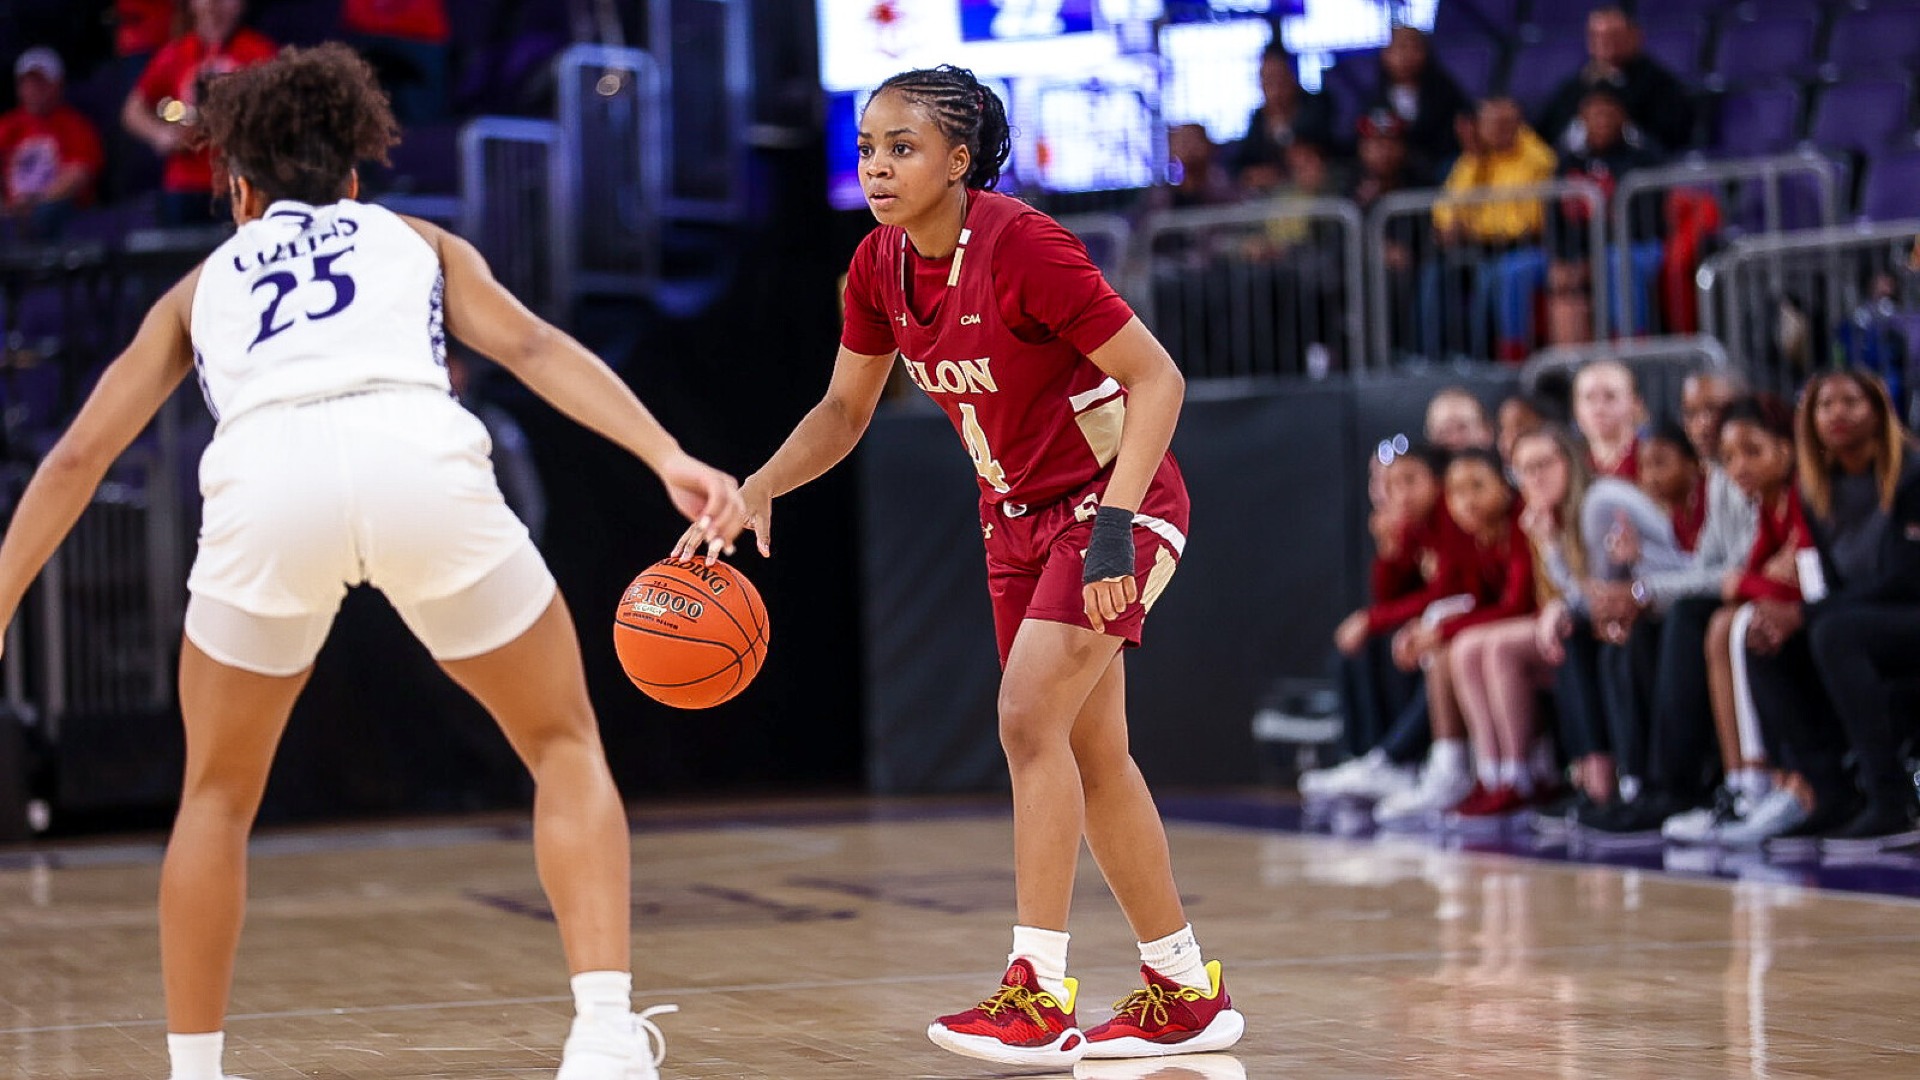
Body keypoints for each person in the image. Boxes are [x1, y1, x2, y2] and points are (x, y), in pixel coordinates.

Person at [0, 45, 747, 1080]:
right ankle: (606, 1033)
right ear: (353, 179)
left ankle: (195, 1071)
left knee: (214, 797)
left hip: (269, 480)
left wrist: (0, 595)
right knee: (562, 743)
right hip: (415, 459)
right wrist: (666, 452)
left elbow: (81, 453)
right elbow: (531, 348)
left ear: (239, 191)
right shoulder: (418, 238)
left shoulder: (196, 287)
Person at [672, 64, 1241, 1066]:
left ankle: (1036, 994)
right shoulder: (877, 266)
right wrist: (758, 486)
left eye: (903, 147)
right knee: (1092, 754)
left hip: (1115, 506)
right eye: (867, 149)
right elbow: (845, 411)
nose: (878, 168)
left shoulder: (1025, 244)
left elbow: (1157, 378)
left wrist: (1113, 528)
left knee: (1028, 720)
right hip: (1012, 519)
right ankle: (1184, 987)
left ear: (960, 160)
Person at [1734, 372, 1920, 848]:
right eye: (1823, 405)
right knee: (1763, 638)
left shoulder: (1913, 474)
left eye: (1850, 402)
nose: (1836, 413)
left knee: (1833, 631)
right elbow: (1827, 585)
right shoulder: (1815, 492)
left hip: (1906, 612)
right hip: (1859, 621)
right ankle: (1829, 792)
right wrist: (1788, 617)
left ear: (1878, 411)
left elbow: (1906, 579)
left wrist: (1809, 615)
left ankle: (1891, 798)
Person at [1374, 448, 1538, 825]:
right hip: (1515, 630)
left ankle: (1516, 774)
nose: (1467, 501)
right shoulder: (1474, 534)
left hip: (1540, 627)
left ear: (1506, 485)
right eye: (1457, 492)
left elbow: (1516, 605)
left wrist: (1440, 629)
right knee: (1459, 641)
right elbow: (1467, 597)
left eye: (1478, 487)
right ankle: (1488, 775)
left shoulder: (1516, 526)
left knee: (1471, 645)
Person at [1448, 427, 1594, 817]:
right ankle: (1493, 772)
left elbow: (1568, 594)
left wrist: (1549, 548)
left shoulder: (1588, 507)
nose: (1535, 478)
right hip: (1557, 619)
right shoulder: (1535, 518)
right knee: (1465, 648)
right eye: (1525, 470)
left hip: (1582, 621)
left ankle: (1520, 773)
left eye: (1543, 465)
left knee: (1496, 645)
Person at [1422, 97, 1558, 362]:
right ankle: (1431, 359)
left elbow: (1527, 222)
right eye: (1490, 124)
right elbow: (1446, 209)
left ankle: (1480, 359)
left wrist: (1472, 229)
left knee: (1489, 277)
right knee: (1434, 274)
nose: (1498, 130)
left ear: (1519, 123)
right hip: (1479, 248)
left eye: (1505, 123)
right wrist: (1450, 225)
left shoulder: (1536, 159)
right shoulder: (1473, 158)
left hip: (1523, 248)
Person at [123, 0, 276, 226]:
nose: (214, 6)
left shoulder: (260, 52)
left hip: (241, 179)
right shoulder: (176, 52)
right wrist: (161, 135)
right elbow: (133, 110)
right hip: (184, 183)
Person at [1534, 6, 1693, 155]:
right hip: (1576, 174)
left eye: (1613, 36)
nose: (1604, 44)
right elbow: (1546, 136)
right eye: (1596, 36)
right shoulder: (1573, 87)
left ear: (1635, 37)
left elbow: (1669, 139)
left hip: (1636, 172)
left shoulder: (1660, 84)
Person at [0, 47, 103, 242]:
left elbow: (79, 174)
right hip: (13, 214)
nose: (32, 89)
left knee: (48, 213)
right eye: (26, 83)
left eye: (40, 83)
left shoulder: (75, 126)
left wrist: (35, 202)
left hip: (58, 213)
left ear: (58, 85)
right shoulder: (7, 126)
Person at [1366, 25, 1471, 180]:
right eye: (1400, 48)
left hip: (1438, 164)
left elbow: (1454, 134)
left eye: (1413, 47)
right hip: (1394, 170)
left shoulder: (1445, 92)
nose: (1406, 56)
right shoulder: (1374, 98)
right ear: (1386, 54)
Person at [1229, 42, 1334, 195]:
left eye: (1278, 78)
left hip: (1320, 190)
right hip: (1274, 200)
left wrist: (1282, 129)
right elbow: (1240, 165)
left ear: (1292, 77)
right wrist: (1253, 174)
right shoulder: (1259, 118)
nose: (1274, 89)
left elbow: (1322, 147)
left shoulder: (1317, 105)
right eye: (1267, 80)